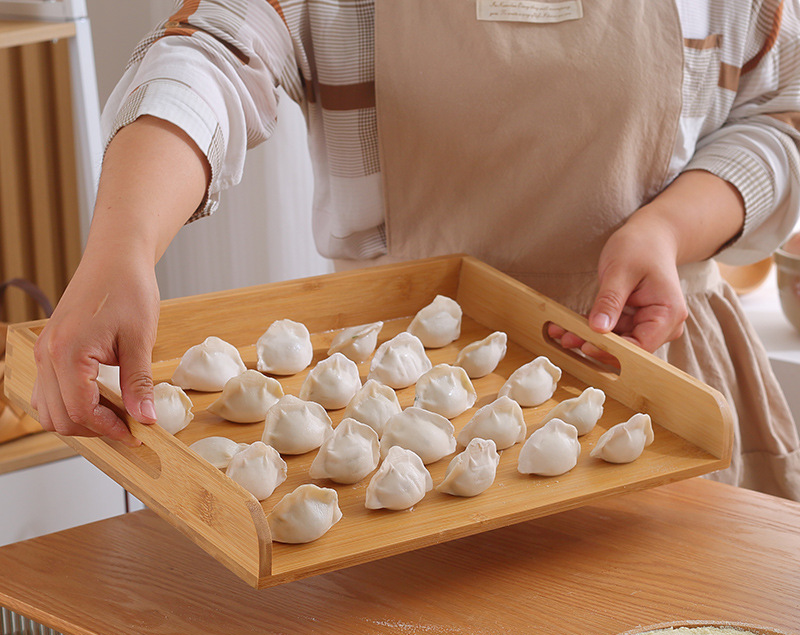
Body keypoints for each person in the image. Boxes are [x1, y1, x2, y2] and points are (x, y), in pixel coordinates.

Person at [32, 0, 800, 500]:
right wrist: (122, 242)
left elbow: (783, 113)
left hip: (656, 382)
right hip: (390, 405)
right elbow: (208, 54)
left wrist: (669, 227)